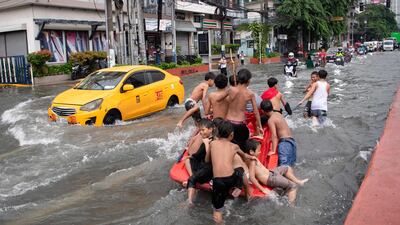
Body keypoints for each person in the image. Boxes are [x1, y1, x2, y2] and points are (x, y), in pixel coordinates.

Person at [210, 120, 257, 223]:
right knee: (240, 170)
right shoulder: (234, 146)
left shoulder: (212, 144)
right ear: (231, 135)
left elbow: (208, 159)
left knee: (217, 211)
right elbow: (245, 156)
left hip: (218, 182)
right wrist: (252, 158)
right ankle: (247, 194)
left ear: (217, 132)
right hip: (231, 178)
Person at [243, 139, 308, 203]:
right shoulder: (252, 161)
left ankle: (298, 182)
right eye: (258, 150)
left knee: (287, 168)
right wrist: (262, 189)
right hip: (271, 179)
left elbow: (243, 154)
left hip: (271, 173)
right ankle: (291, 205)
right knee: (293, 186)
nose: (260, 152)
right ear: (251, 152)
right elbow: (251, 177)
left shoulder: (249, 157)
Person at [225, 69, 263, 149]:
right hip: (240, 124)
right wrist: (260, 126)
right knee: (241, 147)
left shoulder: (231, 90)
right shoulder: (250, 94)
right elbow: (256, 112)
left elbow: (219, 99)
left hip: (228, 123)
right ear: (248, 81)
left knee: (229, 146)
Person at [184, 119, 215, 205]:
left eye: (203, 130)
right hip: (206, 166)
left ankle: (189, 202)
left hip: (209, 169)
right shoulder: (208, 139)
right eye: (200, 130)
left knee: (191, 179)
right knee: (188, 160)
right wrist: (191, 156)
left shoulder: (211, 141)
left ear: (210, 129)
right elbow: (199, 155)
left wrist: (206, 144)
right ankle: (194, 178)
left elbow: (208, 159)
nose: (201, 132)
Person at [260, 99, 297, 167]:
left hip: (284, 143)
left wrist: (273, 150)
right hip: (292, 141)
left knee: (283, 167)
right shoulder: (278, 114)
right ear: (272, 107)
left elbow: (274, 136)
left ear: (262, 111)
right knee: (290, 166)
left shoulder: (271, 120)